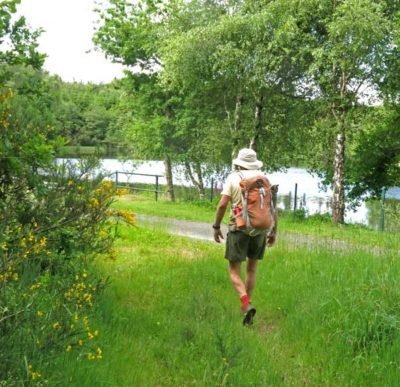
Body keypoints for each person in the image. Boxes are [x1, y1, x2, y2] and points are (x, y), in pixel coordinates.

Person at [212, 148, 277, 326]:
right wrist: (273, 231)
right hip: (260, 230)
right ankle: (246, 310)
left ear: (239, 163)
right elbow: (272, 207)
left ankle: (245, 303)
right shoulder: (264, 179)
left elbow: (223, 204)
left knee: (234, 271)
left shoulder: (234, 178)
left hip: (239, 228)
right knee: (251, 270)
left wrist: (216, 226)